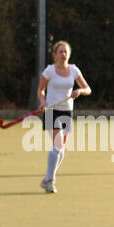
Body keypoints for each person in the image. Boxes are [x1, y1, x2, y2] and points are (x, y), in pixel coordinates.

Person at [36, 40, 91, 192]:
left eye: (65, 51)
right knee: (57, 146)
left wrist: (79, 91)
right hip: (51, 110)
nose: (63, 54)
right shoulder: (49, 71)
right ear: (55, 55)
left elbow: (87, 88)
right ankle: (50, 181)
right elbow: (40, 90)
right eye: (60, 51)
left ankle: (47, 178)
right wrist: (42, 101)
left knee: (61, 150)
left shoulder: (74, 70)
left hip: (67, 111)